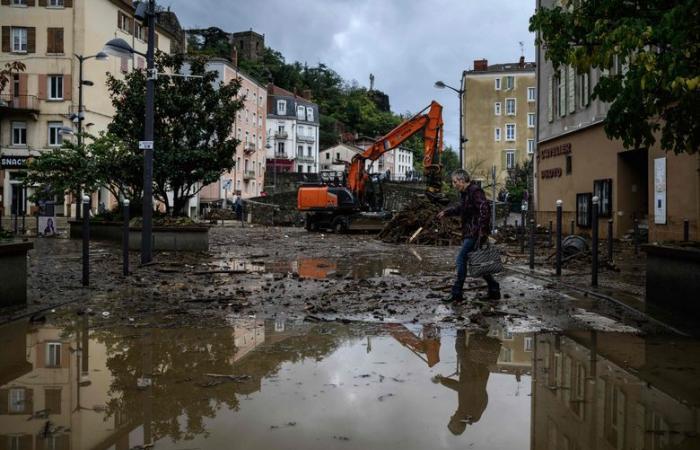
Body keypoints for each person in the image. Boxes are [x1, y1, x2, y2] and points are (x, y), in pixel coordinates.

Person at [437, 169, 500, 302]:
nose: (454, 185)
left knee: (461, 259)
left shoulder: (475, 191)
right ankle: (494, 288)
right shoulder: (466, 194)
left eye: (455, 182)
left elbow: (484, 209)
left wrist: (482, 232)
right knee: (478, 261)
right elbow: (461, 208)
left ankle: (457, 292)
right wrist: (447, 212)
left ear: (461, 180)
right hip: (471, 232)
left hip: (475, 233)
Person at [433, 330, 501, 435]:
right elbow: (462, 388)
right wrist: (442, 380)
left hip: (481, 372)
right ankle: (462, 325)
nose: (452, 416)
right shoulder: (467, 412)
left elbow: (482, 396)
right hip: (474, 370)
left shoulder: (472, 415)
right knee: (459, 348)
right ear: (457, 422)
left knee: (466, 346)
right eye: (452, 420)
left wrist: (478, 384)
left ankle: (477, 326)